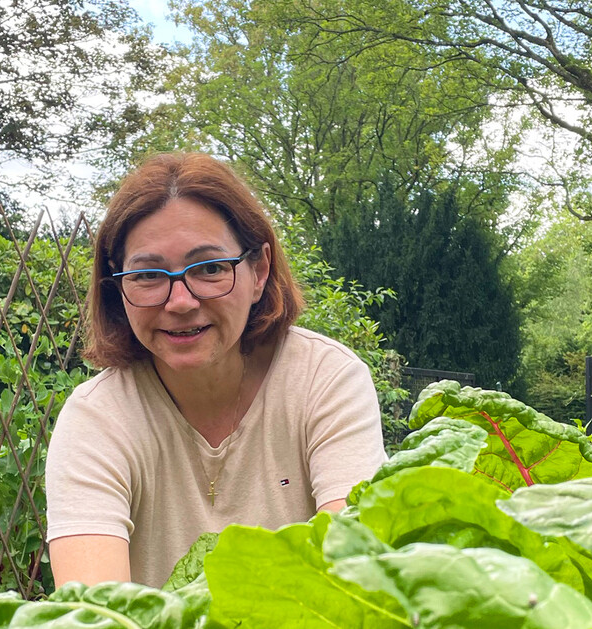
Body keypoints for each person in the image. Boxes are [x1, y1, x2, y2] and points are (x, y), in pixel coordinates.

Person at [44, 153, 387, 588]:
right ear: (118, 287)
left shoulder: (325, 380)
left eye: (209, 268)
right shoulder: (98, 418)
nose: (180, 302)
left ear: (259, 271)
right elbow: (96, 610)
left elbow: (355, 577)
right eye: (148, 275)